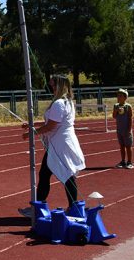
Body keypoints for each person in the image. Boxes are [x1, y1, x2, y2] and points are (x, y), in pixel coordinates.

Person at [19, 74, 85, 217]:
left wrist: (32, 133)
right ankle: (41, 207)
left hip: (61, 144)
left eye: (53, 85)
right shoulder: (66, 102)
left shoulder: (59, 103)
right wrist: (32, 125)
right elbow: (51, 122)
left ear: (59, 86)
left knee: (65, 175)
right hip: (60, 144)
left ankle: (69, 207)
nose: (51, 88)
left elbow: (51, 126)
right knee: (49, 174)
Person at [113, 88, 134, 169]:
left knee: (128, 146)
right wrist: (116, 110)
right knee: (121, 146)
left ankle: (129, 162)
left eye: (120, 96)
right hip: (119, 130)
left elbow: (130, 118)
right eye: (118, 96)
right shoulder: (116, 106)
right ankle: (123, 161)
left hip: (127, 129)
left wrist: (129, 129)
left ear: (125, 97)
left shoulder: (128, 106)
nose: (118, 97)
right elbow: (114, 116)